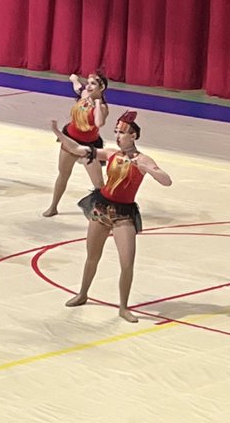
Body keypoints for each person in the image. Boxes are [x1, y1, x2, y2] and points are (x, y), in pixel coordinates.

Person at [52, 111, 172, 323]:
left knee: (126, 262)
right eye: (116, 132)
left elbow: (167, 181)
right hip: (101, 209)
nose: (118, 136)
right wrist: (57, 132)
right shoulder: (111, 154)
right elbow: (78, 149)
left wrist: (150, 170)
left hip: (123, 215)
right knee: (92, 256)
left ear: (133, 136)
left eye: (122, 133)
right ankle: (82, 293)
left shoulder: (143, 159)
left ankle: (124, 307)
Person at [42, 71, 110, 217]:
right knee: (63, 174)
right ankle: (53, 206)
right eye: (89, 82)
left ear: (101, 87)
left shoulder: (102, 107)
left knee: (98, 183)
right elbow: (78, 88)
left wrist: (97, 103)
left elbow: (99, 122)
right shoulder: (84, 94)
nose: (89, 86)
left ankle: (106, 212)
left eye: (93, 84)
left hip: (89, 147)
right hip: (70, 139)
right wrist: (74, 79)